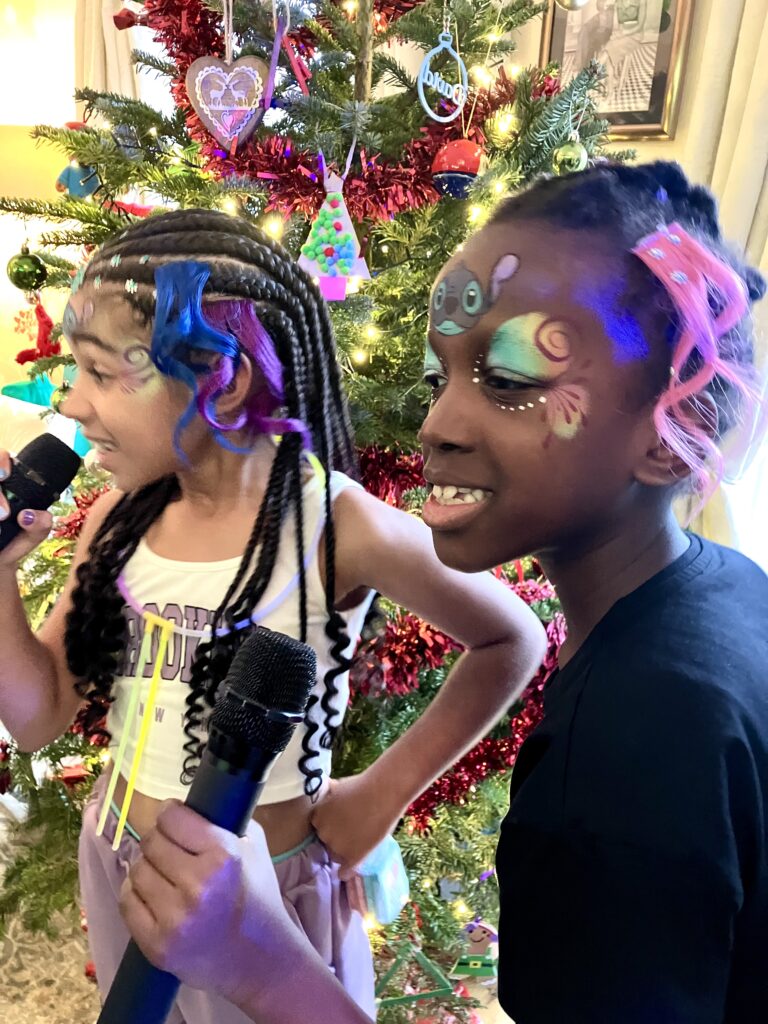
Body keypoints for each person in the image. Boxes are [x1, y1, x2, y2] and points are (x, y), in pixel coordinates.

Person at [120, 163, 768, 1023]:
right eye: (440, 377)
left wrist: (261, 959)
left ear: (671, 430)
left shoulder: (629, 756)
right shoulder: (725, 585)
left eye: (508, 381)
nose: (436, 425)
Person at [0, 209, 547, 1023]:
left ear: (223, 380)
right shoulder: (118, 520)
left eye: (101, 373)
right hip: (120, 858)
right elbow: (38, 716)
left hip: (259, 897)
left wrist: (381, 795)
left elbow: (513, 636)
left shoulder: (337, 525)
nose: (70, 401)